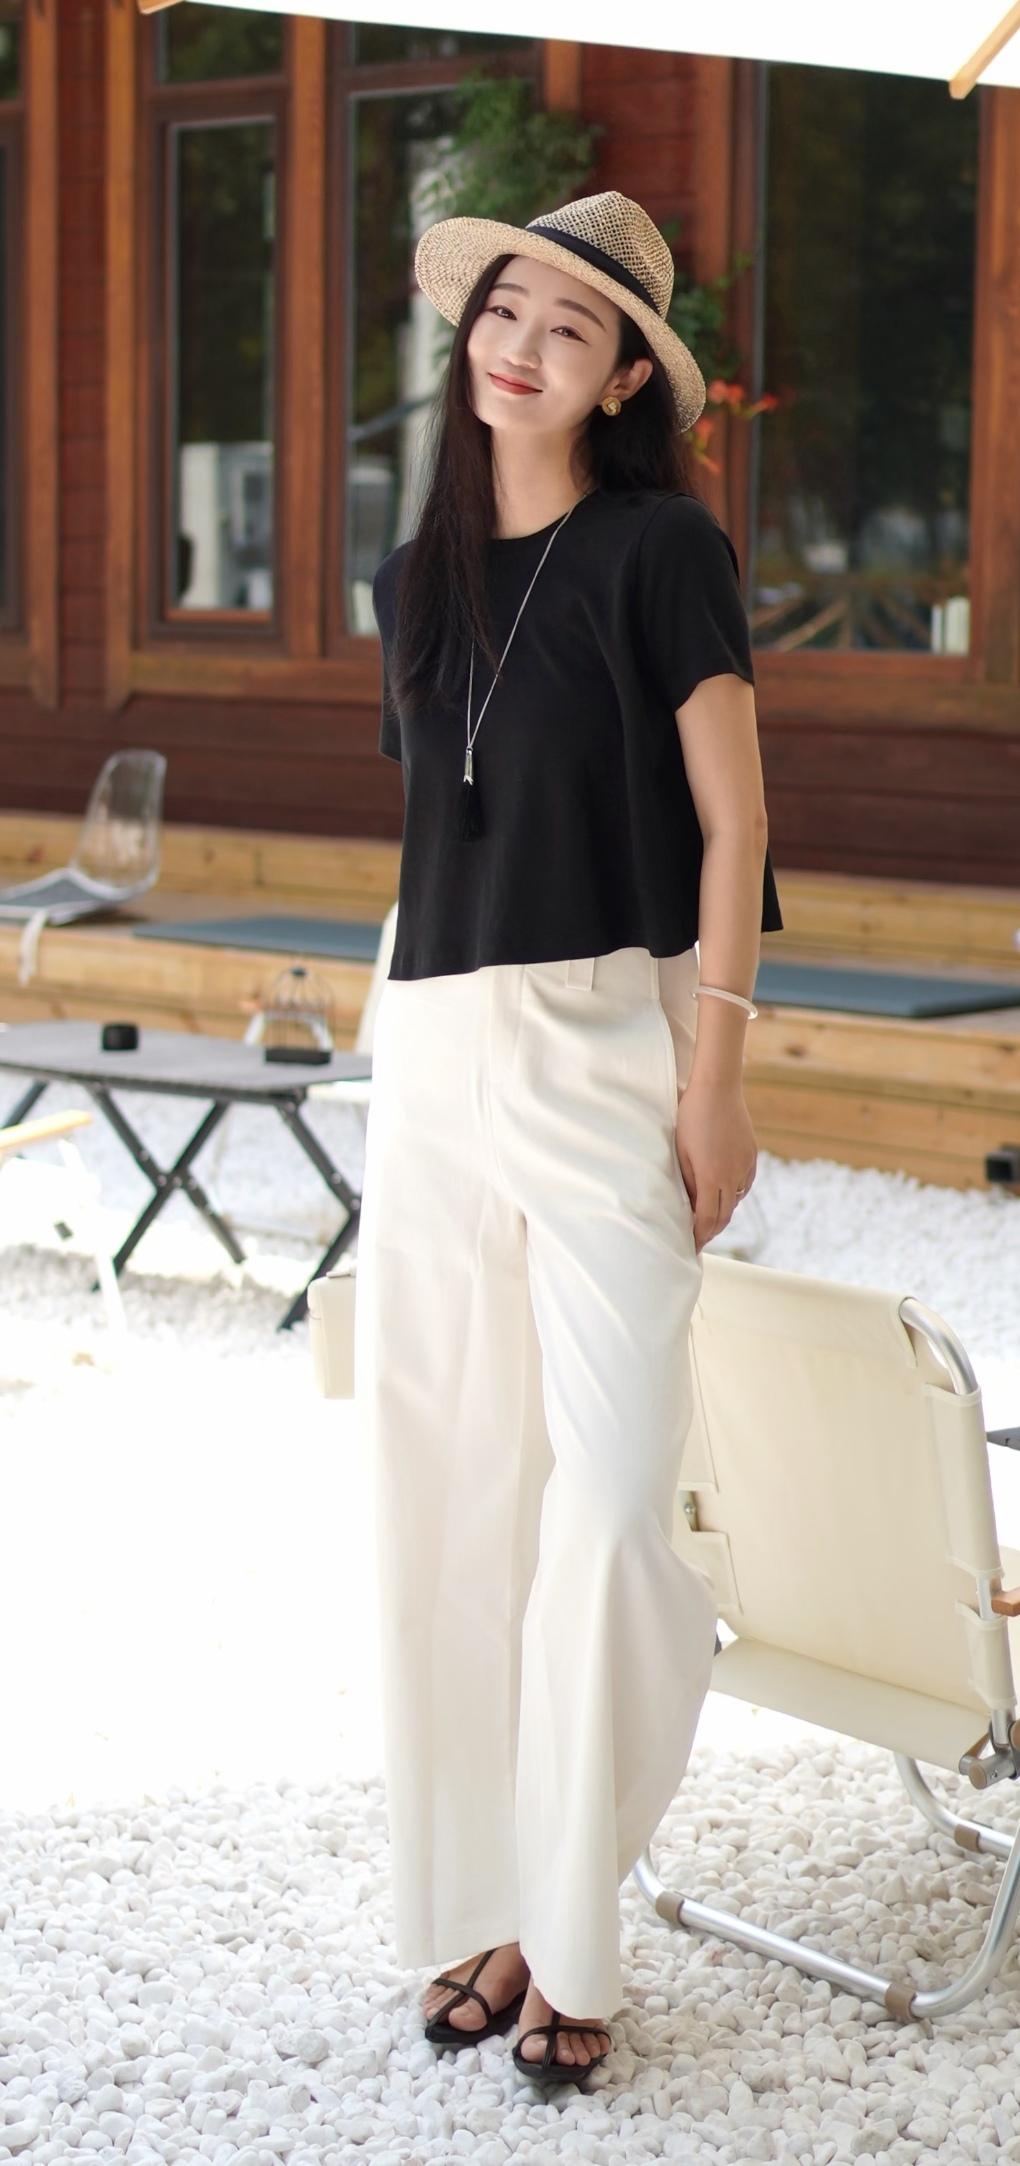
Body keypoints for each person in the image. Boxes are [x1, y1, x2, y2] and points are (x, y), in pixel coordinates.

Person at [355, 188, 784, 2089]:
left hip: (610, 1037)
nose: (519, 343)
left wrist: (716, 1074)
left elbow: (736, 823)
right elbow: (440, 830)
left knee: (610, 1500)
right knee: (450, 1497)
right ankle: (497, 1908)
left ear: (622, 380)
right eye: (503, 309)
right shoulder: (416, 578)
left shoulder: (661, 549)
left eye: (568, 325)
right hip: (433, 1042)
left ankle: (574, 1904)